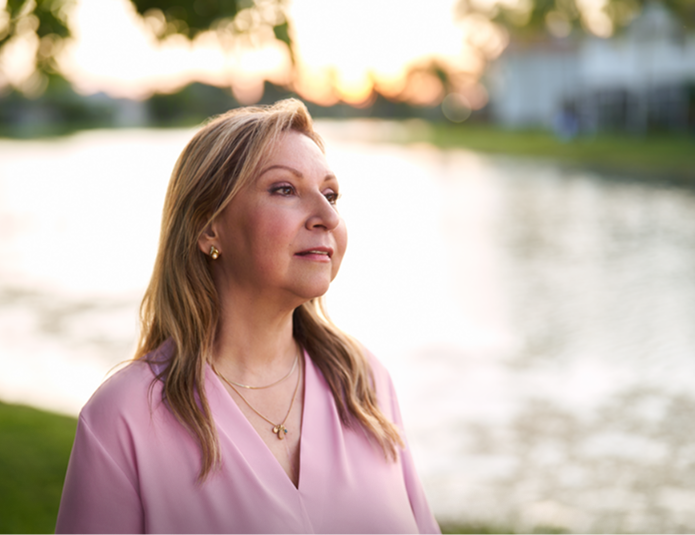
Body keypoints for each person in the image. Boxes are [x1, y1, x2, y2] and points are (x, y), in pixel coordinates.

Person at [55, 99, 442, 535]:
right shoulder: (124, 418)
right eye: (285, 189)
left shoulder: (364, 383)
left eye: (331, 194)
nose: (329, 217)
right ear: (208, 227)